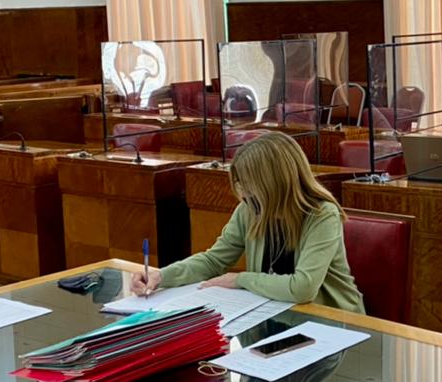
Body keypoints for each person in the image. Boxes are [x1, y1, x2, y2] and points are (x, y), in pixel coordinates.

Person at [131, 132, 364, 311]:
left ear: (273, 182)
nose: (242, 192)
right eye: (240, 183)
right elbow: (214, 261)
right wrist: (162, 276)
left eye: (247, 183)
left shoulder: (322, 215)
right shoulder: (249, 210)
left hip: (333, 321)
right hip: (273, 312)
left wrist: (241, 279)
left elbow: (303, 288)